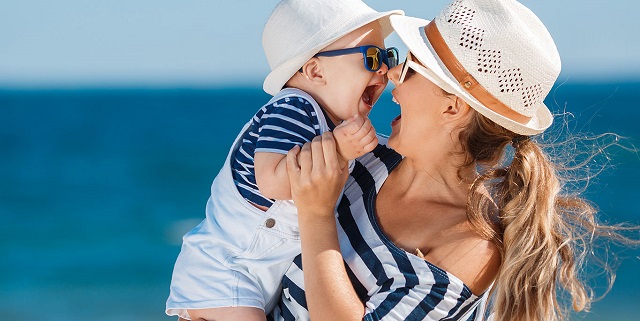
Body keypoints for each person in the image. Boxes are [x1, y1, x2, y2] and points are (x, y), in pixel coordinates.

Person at [274, 0, 638, 320]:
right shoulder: (362, 158)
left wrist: (316, 214)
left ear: (452, 106)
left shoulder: (469, 248)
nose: (393, 84)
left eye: (409, 69)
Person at [165, 0, 404, 320]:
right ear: (315, 70)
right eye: (372, 58)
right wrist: (339, 149)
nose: (385, 70)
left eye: (389, 56)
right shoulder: (294, 107)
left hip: (257, 273)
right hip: (224, 269)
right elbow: (272, 180)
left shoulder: (327, 121)